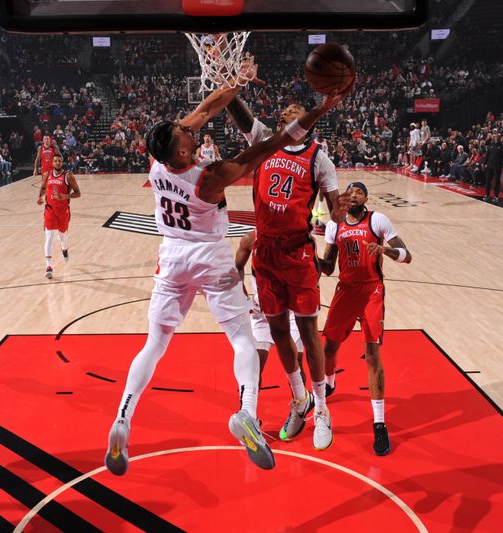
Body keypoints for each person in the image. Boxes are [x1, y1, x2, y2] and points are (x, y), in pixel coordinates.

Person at [104, 73, 346, 475]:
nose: (191, 132)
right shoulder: (209, 178)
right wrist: (321, 110)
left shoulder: (160, 160)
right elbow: (273, 143)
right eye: (186, 137)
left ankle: (123, 419)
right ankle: (247, 412)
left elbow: (205, 109)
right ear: (181, 154)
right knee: (242, 340)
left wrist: (235, 80)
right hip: (209, 259)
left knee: (155, 343)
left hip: (171, 256)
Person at [226, 91, 344, 450]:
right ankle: (299, 400)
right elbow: (242, 116)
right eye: (282, 115)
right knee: (278, 332)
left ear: (306, 125)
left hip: (297, 254)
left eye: (293, 114)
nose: (284, 117)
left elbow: (335, 213)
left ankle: (322, 409)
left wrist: (330, 255)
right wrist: (229, 86)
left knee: (309, 335)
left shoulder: (319, 159)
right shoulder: (265, 141)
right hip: (266, 254)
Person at [318, 182, 412, 456]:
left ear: (366, 198)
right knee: (329, 348)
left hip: (372, 290)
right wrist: (309, 260)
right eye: (351, 191)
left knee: (372, 355)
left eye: (359, 191)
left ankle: (379, 423)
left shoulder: (378, 220)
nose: (355, 194)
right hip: (346, 290)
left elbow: (407, 256)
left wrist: (386, 251)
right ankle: (331, 384)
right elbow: (327, 267)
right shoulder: (335, 226)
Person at [234, 231, 306, 388]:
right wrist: (243, 297)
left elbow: (313, 270)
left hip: (290, 309)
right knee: (255, 366)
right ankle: (249, 409)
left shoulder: (295, 238)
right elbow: (238, 266)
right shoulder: (250, 239)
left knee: (295, 363)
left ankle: (301, 409)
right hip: (263, 309)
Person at [37, 154, 80, 279]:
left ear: (62, 162)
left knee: (63, 237)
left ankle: (64, 249)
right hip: (50, 210)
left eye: (59, 161)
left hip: (63, 211)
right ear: (52, 162)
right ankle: (49, 266)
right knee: (49, 237)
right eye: (55, 161)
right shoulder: (47, 175)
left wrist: (65, 196)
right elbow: (43, 188)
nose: (57, 162)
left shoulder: (68, 176)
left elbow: (78, 193)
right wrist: (40, 197)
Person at [484, 134, 503, 203]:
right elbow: (487, 155)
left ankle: (496, 196)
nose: (497, 138)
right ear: (494, 138)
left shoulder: (502, 147)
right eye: (495, 137)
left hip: (498, 166)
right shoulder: (490, 145)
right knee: (488, 180)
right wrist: (484, 163)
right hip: (490, 165)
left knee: (497, 181)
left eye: (498, 137)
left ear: (500, 138)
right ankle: (487, 195)